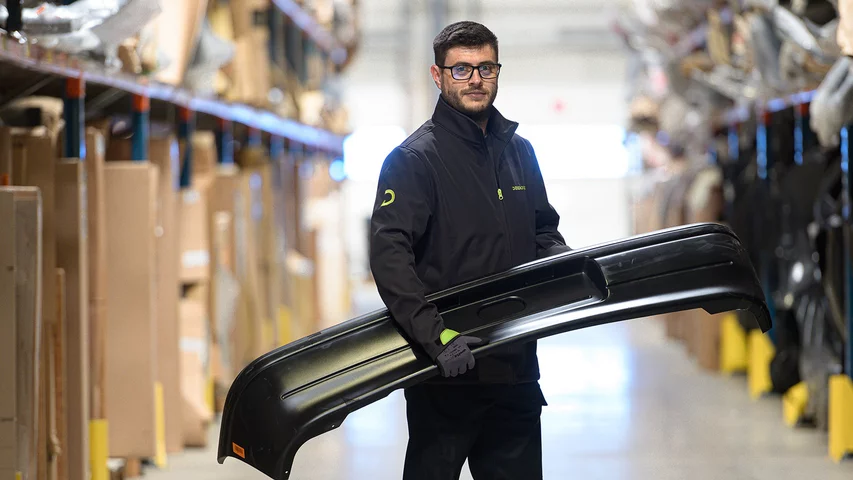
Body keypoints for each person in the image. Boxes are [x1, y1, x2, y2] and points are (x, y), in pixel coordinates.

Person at [368, 21, 570, 480]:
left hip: (516, 369)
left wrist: (565, 268)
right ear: (437, 76)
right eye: (461, 69)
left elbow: (543, 230)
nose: (476, 79)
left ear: (497, 71)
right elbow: (390, 259)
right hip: (447, 373)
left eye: (486, 68)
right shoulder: (414, 160)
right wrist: (437, 337)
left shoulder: (520, 152)